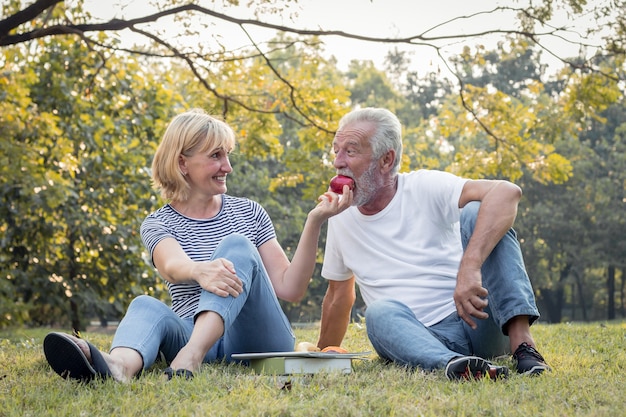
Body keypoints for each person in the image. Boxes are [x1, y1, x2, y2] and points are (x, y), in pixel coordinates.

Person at [43, 108, 351, 382]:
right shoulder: (159, 222)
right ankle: (118, 366)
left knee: (236, 245)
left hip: (256, 341)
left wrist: (314, 221)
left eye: (227, 155)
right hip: (191, 331)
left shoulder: (250, 212)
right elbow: (172, 266)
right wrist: (201, 271)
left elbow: (290, 289)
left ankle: (191, 357)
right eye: (216, 156)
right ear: (182, 163)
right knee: (143, 304)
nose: (227, 166)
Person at [316, 107, 550, 380]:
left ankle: (523, 346)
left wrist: (470, 266)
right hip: (417, 337)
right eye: (336, 151)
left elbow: (507, 192)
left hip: (478, 318)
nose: (338, 162)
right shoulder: (339, 216)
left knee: (480, 211)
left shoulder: (424, 186)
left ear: (386, 160)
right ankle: (457, 365)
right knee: (379, 313)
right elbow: (338, 295)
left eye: (351, 151)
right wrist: (320, 355)